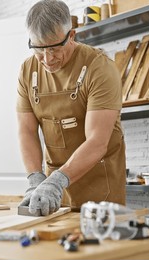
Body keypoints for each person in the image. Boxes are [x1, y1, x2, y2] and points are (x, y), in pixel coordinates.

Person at [16, 0, 126, 216]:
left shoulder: (99, 67)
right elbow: (26, 131)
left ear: (72, 36)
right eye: (39, 49)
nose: (47, 60)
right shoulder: (28, 70)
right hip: (50, 190)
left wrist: (57, 181)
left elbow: (97, 141)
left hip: (100, 186)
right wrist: (36, 178)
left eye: (55, 49)